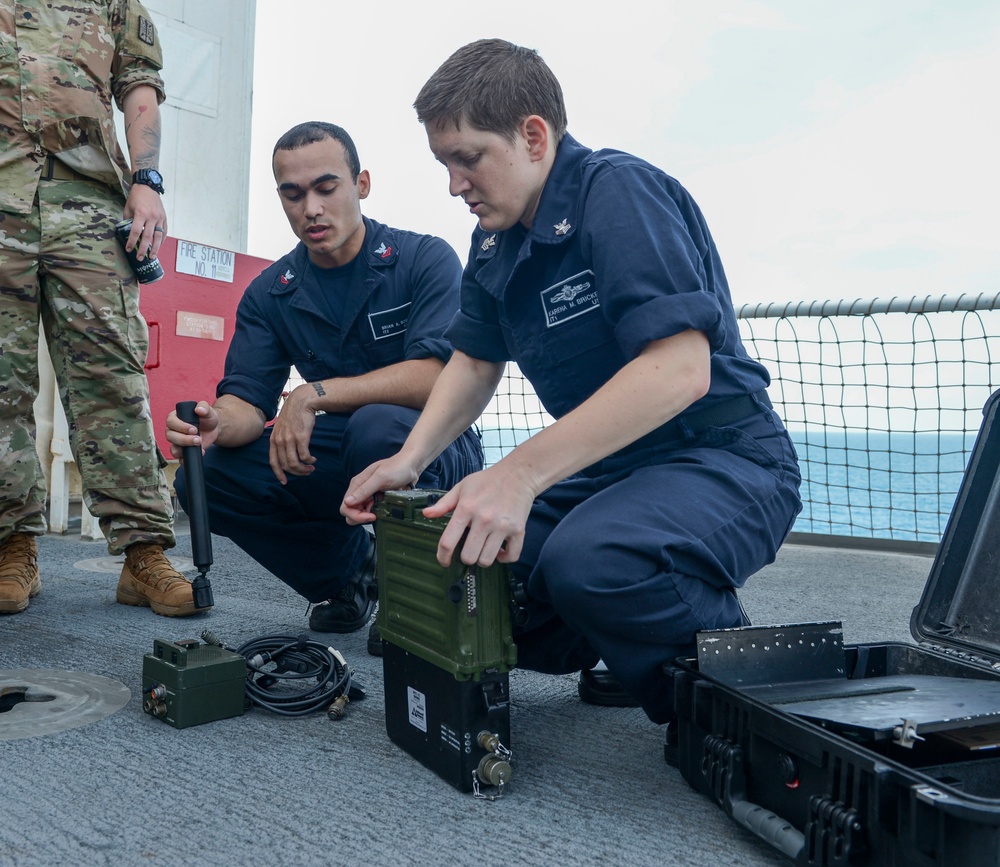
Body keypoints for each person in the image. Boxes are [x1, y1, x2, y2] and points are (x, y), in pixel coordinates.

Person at [342, 39, 802, 722]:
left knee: (593, 563)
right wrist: (409, 461)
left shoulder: (617, 193)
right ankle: (630, 638)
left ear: (533, 136)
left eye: (468, 159)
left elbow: (680, 369)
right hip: (616, 471)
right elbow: (473, 360)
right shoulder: (494, 239)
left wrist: (519, 476)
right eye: (444, 164)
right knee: (472, 571)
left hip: (723, 457)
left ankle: (737, 670)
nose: (454, 184)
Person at [165, 122, 483, 644]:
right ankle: (347, 578)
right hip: (343, 448)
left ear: (361, 184)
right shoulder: (270, 293)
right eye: (293, 194)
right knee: (210, 475)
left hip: (435, 446)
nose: (310, 208)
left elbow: (438, 378)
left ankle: (418, 596)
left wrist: (312, 394)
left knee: (378, 428)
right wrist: (216, 422)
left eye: (325, 188)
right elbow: (246, 398)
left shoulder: (424, 259)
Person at [0, 1, 203, 617]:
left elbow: (138, 87)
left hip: (85, 199)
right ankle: (12, 546)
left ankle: (143, 554)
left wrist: (149, 180)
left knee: (111, 379)